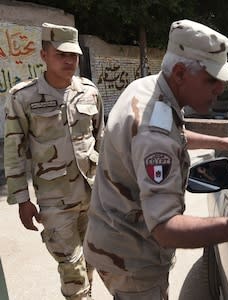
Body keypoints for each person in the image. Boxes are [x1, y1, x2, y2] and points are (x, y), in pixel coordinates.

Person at [83, 19, 228, 299]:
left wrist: (222, 141)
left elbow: (176, 133)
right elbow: (165, 228)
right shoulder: (154, 135)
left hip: (113, 240)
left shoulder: (149, 89)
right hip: (132, 261)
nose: (219, 88)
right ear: (180, 72)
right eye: (212, 79)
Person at [3, 23, 104, 300]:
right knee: (71, 267)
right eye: (61, 54)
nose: (70, 61)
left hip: (92, 193)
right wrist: (22, 199)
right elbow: (14, 149)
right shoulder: (22, 97)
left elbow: (100, 139)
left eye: (74, 55)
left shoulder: (89, 92)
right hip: (54, 201)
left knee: (91, 258)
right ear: (44, 54)